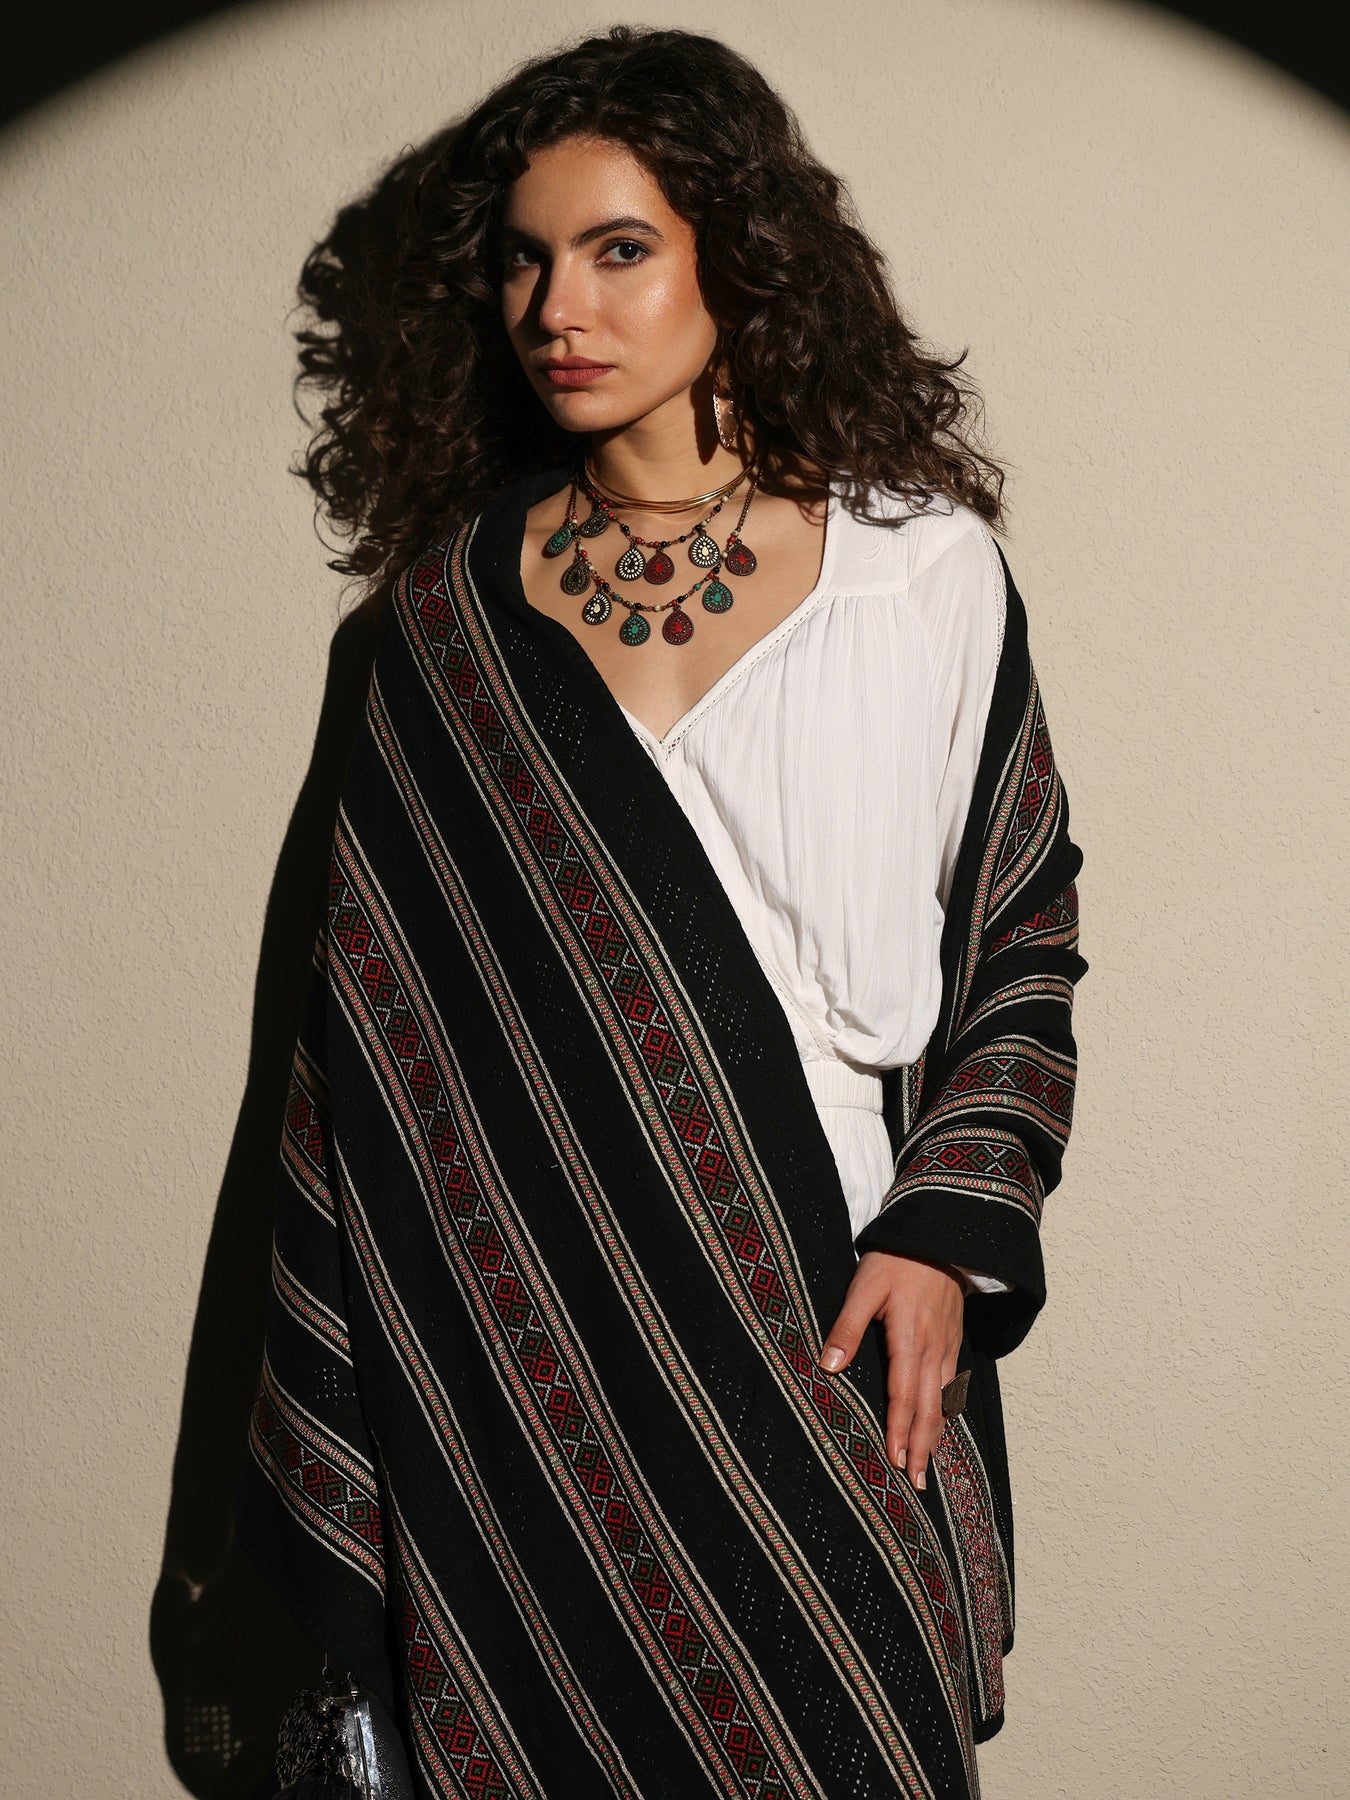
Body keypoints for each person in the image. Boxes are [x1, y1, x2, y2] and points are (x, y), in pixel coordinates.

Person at [237, 25, 1086, 1799]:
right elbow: (359, 1058)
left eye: (618, 249)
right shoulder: (444, 622)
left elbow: (1019, 932)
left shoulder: (919, 570)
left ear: (736, 257)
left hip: (830, 1294)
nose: (559, 305)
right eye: (525, 260)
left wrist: (944, 1228)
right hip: (521, 1334)